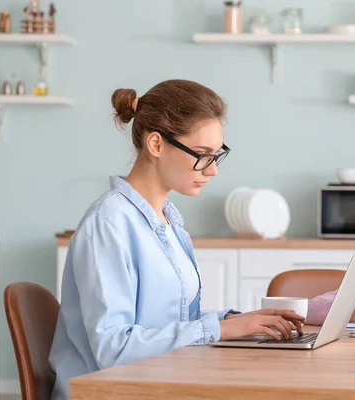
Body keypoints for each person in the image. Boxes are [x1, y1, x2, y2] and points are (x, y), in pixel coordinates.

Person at [48, 79, 305, 400]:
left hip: (161, 383)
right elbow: (114, 349)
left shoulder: (169, 223)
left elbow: (172, 320)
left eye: (216, 155)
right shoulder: (108, 223)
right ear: (156, 145)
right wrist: (220, 330)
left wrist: (236, 321)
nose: (212, 171)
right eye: (202, 154)